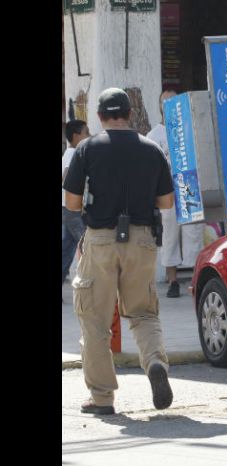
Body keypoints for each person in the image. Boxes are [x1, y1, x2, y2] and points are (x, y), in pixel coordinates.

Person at [63, 87, 175, 415]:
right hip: (142, 239)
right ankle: (155, 363)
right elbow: (167, 202)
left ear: (99, 117)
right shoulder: (152, 149)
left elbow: (71, 203)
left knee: (95, 320)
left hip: (99, 239)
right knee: (143, 312)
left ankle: (101, 397)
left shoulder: (87, 149)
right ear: (130, 114)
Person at [146, 89, 205, 298]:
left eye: (174, 101)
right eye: (166, 102)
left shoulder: (192, 129)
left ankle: (196, 280)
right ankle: (172, 281)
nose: (170, 105)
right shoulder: (153, 137)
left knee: (193, 234)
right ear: (160, 107)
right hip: (167, 190)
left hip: (189, 187)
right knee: (170, 235)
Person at [62, 120, 90, 292]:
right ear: (76, 136)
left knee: (68, 247)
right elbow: (66, 176)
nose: (89, 135)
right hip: (71, 209)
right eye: (86, 132)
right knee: (88, 244)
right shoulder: (73, 153)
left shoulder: (72, 152)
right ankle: (90, 283)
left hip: (69, 208)